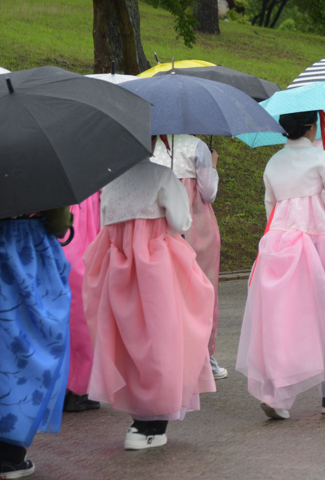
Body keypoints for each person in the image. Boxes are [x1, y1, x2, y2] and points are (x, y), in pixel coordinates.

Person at [236, 111, 325, 420]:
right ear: (312, 127)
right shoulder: (322, 159)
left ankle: (277, 392)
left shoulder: (273, 163)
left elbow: (270, 207)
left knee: (286, 317)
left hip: (284, 243)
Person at [82, 144, 215, 450]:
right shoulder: (161, 176)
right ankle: (151, 422)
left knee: (129, 340)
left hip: (116, 265)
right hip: (156, 266)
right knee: (164, 337)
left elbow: (106, 222)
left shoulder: (110, 181)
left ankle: (140, 416)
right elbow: (181, 222)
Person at [0, 208, 72, 478]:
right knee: (28, 350)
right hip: (28, 253)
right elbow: (58, 223)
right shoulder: (38, 171)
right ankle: (9, 456)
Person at [151, 134, 226, 379]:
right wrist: (212, 167)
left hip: (157, 223)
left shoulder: (148, 143)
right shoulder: (197, 146)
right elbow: (208, 192)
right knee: (202, 290)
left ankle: (166, 356)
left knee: (164, 291)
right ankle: (204, 358)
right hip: (195, 225)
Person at [61, 194, 102, 413]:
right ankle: (74, 386)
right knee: (78, 306)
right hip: (78, 217)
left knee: (78, 305)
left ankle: (76, 386)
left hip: (77, 220)